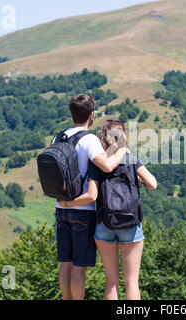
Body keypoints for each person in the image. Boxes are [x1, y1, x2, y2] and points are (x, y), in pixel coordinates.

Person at [61, 119, 157, 300]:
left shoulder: (97, 163)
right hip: (130, 223)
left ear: (103, 140)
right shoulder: (131, 158)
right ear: (122, 137)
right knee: (132, 282)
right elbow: (153, 184)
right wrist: (139, 180)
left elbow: (93, 193)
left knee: (111, 281)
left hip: (105, 223)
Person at [55, 94, 128, 300]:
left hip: (61, 208)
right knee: (79, 266)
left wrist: (66, 201)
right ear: (92, 115)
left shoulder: (59, 137)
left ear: (72, 114)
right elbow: (106, 165)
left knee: (65, 262)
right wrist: (122, 151)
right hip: (83, 210)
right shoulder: (89, 140)